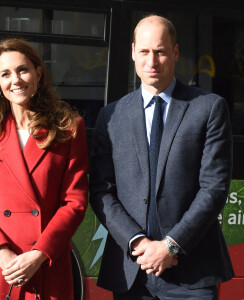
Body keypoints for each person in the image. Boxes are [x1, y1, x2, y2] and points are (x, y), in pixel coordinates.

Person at [89, 15, 234, 299]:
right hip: (132, 269)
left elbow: (214, 188)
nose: (151, 62)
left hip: (192, 274)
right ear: (132, 53)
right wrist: (138, 242)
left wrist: (170, 246)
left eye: (160, 51)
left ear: (176, 52)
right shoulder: (111, 116)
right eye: (144, 52)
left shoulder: (209, 108)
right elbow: (101, 190)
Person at [0, 38, 88, 300]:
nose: (15, 80)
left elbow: (75, 202)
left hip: (47, 264)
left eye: (23, 70)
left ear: (38, 73)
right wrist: (1, 252)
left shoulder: (68, 129)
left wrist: (39, 255)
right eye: (5, 74)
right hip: (1, 268)